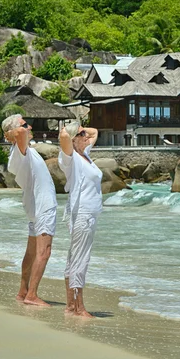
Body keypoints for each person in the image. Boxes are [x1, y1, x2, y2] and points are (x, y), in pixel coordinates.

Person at [1, 114, 57, 306]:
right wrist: (15, 129)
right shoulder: (19, 151)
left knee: (32, 253)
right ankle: (32, 295)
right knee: (45, 251)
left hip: (36, 207)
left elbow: (19, 133)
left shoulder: (23, 150)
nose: (30, 127)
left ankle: (23, 291)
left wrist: (18, 128)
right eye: (26, 125)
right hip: (43, 207)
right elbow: (18, 133)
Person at [58, 121, 102, 317]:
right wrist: (71, 128)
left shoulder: (85, 155)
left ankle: (70, 305)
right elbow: (64, 137)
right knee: (80, 259)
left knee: (74, 258)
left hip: (89, 214)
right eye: (82, 134)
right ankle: (79, 307)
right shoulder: (70, 158)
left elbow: (95, 131)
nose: (87, 136)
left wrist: (81, 127)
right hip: (82, 214)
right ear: (75, 139)